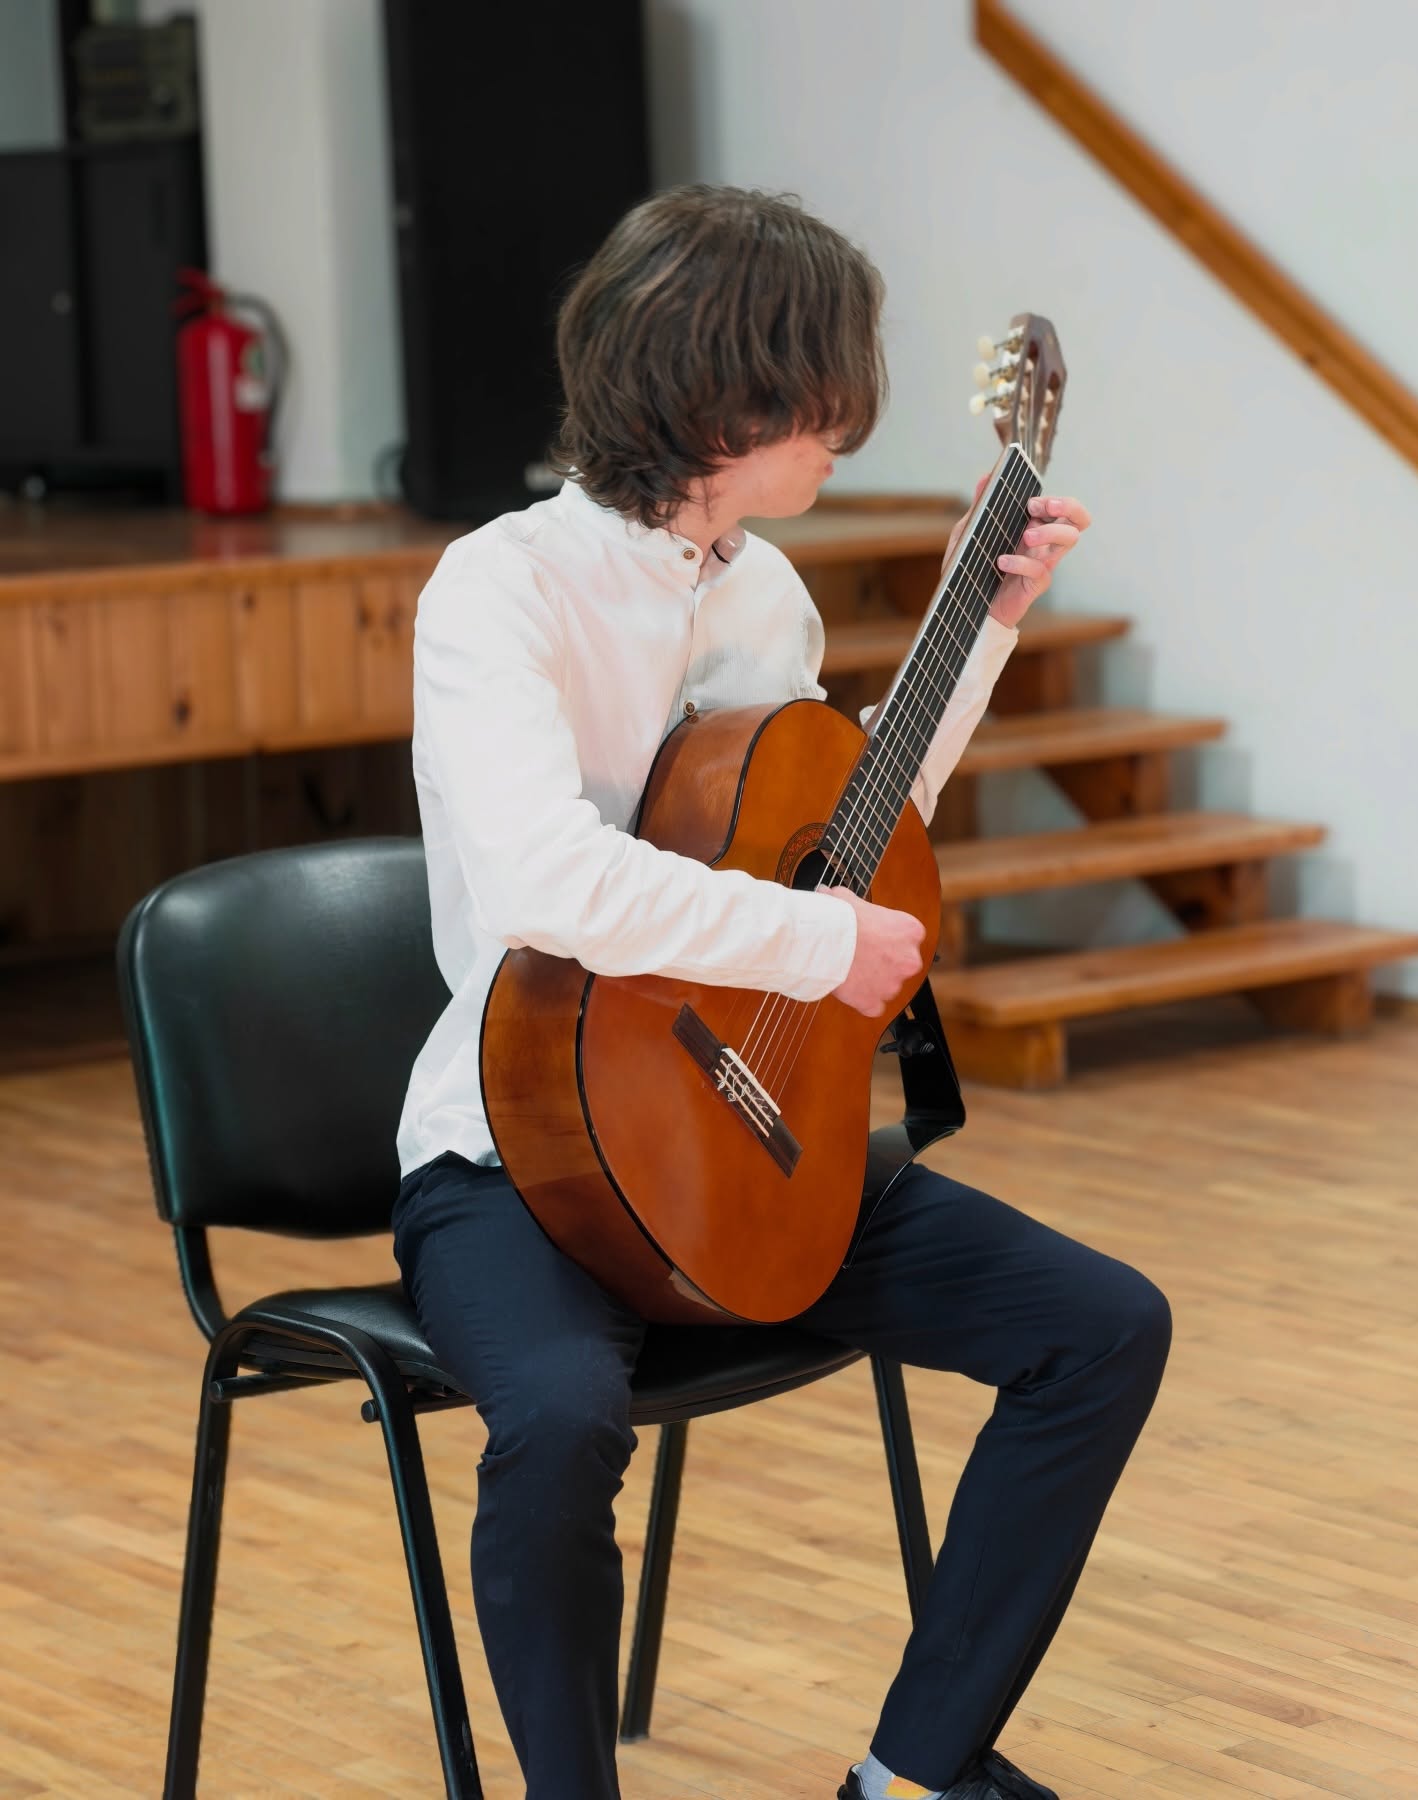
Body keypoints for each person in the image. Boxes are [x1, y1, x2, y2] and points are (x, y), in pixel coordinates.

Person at [391, 184, 1169, 1800]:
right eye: (827, 394)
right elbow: (548, 883)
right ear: (727, 395)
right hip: (520, 1159)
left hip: (746, 1144)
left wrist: (983, 625)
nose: (848, 429)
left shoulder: (764, 596)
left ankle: (909, 1776)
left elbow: (844, 838)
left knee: (1102, 1330)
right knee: (561, 1422)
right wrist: (821, 950)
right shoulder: (498, 590)